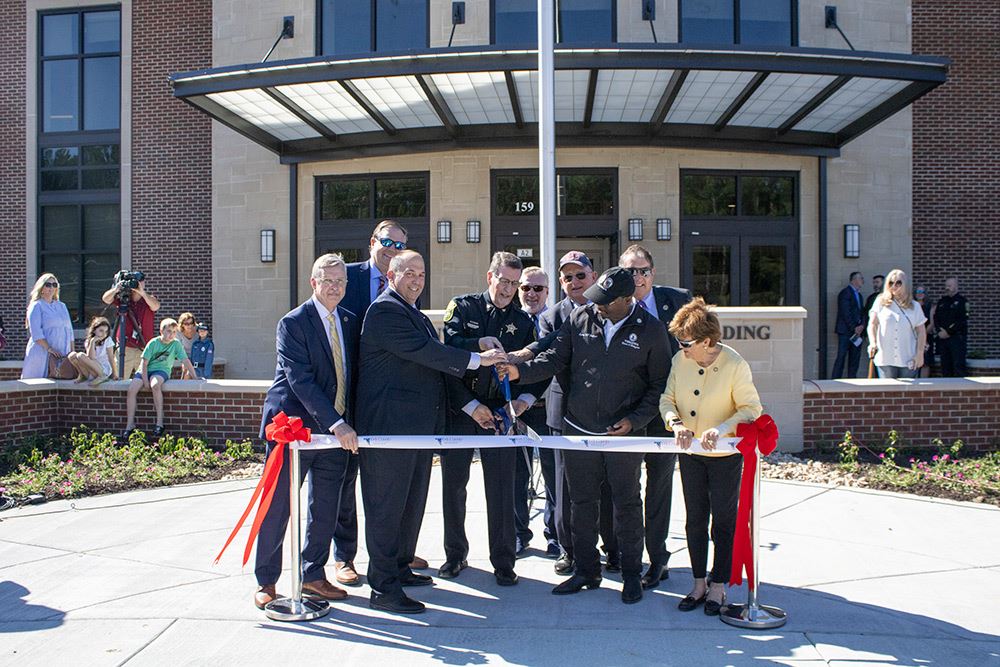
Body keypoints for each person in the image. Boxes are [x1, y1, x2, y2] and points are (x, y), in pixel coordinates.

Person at [507, 267, 671, 604]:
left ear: (628, 300)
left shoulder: (653, 331)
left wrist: (635, 419)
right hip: (578, 429)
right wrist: (518, 371)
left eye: (606, 302)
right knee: (580, 504)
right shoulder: (581, 317)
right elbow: (553, 359)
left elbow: (659, 387)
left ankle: (630, 575)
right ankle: (586, 570)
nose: (597, 306)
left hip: (624, 434)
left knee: (626, 505)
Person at [356, 250, 507, 614]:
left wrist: (476, 345)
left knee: (411, 504)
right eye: (409, 272)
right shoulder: (384, 311)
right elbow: (426, 352)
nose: (417, 279)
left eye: (422, 273)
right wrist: (477, 360)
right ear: (391, 275)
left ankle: (400, 566)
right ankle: (383, 587)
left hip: (418, 431)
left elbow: (436, 351)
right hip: (390, 431)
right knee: (387, 509)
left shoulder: (414, 313)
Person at [253, 254, 361, 611]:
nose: (335, 287)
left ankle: (312, 575)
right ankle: (266, 580)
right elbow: (301, 380)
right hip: (295, 430)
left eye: (341, 281)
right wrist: (336, 422)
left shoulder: (349, 320)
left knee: (325, 507)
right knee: (279, 507)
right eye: (328, 281)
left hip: (334, 435)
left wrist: (345, 422)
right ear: (313, 283)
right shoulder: (293, 323)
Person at [335, 219, 427, 587]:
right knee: (348, 482)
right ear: (372, 241)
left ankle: (393, 553)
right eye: (387, 241)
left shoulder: (407, 282)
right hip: (347, 396)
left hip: (385, 399)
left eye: (400, 243)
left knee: (389, 487)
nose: (392, 247)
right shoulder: (347, 278)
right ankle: (345, 556)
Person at [438, 252, 541, 586]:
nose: (509, 289)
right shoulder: (463, 307)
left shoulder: (524, 322)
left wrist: (520, 404)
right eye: (504, 281)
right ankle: (455, 555)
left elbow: (534, 369)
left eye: (515, 283)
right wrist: (470, 405)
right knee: (454, 487)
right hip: (462, 409)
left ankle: (504, 562)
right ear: (490, 277)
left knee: (502, 490)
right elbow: (448, 352)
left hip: (500, 412)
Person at [660, 297, 763, 616]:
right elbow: (667, 400)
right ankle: (698, 584)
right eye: (679, 342)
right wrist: (675, 424)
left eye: (687, 342)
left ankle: (719, 586)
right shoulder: (681, 361)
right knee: (694, 520)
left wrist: (723, 429)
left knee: (723, 522)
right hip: (691, 454)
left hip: (725, 457)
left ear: (707, 340)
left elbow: (751, 409)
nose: (682, 348)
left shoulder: (735, 364)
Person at [511, 251, 598, 577]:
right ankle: (545, 540)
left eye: (580, 275)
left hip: (583, 413)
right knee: (530, 477)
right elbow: (548, 357)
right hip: (542, 410)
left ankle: (573, 541)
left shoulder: (604, 310)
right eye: (568, 277)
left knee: (569, 484)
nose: (531, 294)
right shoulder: (546, 318)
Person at [618, 244, 692, 589]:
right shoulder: (611, 303)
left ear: (653, 272)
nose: (637, 278)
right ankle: (626, 554)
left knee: (659, 488)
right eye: (630, 271)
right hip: (628, 412)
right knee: (626, 488)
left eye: (643, 270)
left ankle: (657, 558)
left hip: (668, 412)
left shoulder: (677, 301)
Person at [514, 266, 561, 559]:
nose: (531, 294)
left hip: (549, 410)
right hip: (517, 411)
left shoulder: (557, 321)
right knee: (517, 475)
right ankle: (519, 534)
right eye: (525, 288)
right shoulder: (510, 319)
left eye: (538, 289)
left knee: (555, 477)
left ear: (548, 292)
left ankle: (554, 535)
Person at [123, 318, 198, 438]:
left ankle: (159, 423)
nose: (171, 335)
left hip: (161, 370)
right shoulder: (153, 343)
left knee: (155, 384)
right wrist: (145, 380)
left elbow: (186, 360)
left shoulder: (176, 344)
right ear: (161, 331)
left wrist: (195, 377)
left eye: (174, 332)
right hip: (145, 370)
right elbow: (144, 364)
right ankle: (130, 424)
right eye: (168, 331)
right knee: (132, 389)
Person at [867, 269, 927, 379]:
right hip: (886, 358)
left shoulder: (914, 306)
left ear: (905, 284)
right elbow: (872, 324)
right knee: (888, 392)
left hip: (908, 357)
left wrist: (920, 354)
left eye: (898, 283)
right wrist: (873, 343)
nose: (894, 286)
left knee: (907, 394)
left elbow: (921, 331)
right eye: (890, 282)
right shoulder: (880, 302)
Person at [101, 271, 160, 379]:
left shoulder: (148, 299)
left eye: (139, 281)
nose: (136, 284)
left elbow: (156, 306)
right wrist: (116, 289)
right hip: (125, 347)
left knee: (145, 381)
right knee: (119, 379)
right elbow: (105, 299)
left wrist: (142, 293)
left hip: (144, 348)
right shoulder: (123, 299)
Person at [20, 273, 74, 380]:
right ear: (41, 288)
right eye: (48, 284)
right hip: (41, 353)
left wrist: (72, 353)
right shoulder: (36, 306)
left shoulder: (62, 306)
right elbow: (36, 333)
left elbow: (70, 331)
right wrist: (49, 349)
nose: (51, 287)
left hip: (62, 354)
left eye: (54, 285)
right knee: (37, 385)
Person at [832, 272, 865, 378]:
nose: (862, 281)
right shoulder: (845, 293)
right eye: (861, 278)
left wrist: (861, 326)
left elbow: (861, 312)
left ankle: (852, 379)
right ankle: (836, 380)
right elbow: (845, 312)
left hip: (857, 333)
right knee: (841, 356)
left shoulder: (859, 295)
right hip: (845, 332)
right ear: (853, 280)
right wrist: (854, 327)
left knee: (854, 358)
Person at [934, 277, 969, 377]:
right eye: (946, 286)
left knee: (958, 366)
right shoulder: (942, 301)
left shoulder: (962, 301)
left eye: (949, 286)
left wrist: (948, 332)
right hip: (943, 340)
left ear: (956, 286)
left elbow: (962, 320)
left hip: (957, 339)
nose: (947, 288)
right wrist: (939, 331)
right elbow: (936, 318)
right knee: (945, 366)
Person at [67, 316, 116, 385]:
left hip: (103, 370)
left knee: (81, 355)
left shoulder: (108, 340)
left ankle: (102, 376)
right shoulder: (88, 341)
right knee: (72, 355)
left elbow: (111, 357)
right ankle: (82, 375)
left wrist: (115, 374)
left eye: (106, 331)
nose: (104, 334)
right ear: (94, 330)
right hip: (91, 370)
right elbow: (91, 357)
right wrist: (92, 342)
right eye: (101, 330)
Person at [914, 286, 934, 378]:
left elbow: (931, 323)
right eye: (918, 291)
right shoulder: (911, 306)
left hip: (926, 336)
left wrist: (923, 336)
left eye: (922, 291)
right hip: (913, 337)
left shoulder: (930, 306)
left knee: (925, 362)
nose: (920, 293)